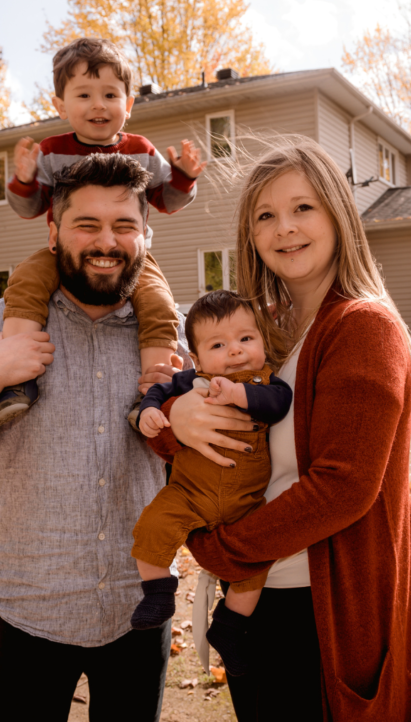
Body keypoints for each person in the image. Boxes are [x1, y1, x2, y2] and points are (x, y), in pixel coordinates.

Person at [148, 140, 411, 721]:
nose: (284, 228)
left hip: (316, 613)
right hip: (263, 605)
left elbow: (342, 487)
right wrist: (176, 420)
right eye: (266, 215)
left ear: (338, 213)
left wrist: (218, 550)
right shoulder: (261, 337)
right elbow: (196, 430)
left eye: (303, 208)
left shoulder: (361, 327)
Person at [0, 153, 186, 722]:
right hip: (28, 615)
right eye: (86, 224)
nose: (106, 242)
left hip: (139, 613)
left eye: (124, 226)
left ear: (146, 233)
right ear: (53, 230)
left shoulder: (171, 340)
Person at [0, 37, 205, 427]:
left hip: (132, 262)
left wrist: (185, 177)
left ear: (128, 104)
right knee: (25, 282)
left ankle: (154, 394)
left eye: (110, 94)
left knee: (159, 304)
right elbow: (30, 208)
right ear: (60, 106)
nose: (98, 105)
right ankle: (16, 381)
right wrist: (24, 180)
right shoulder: (52, 151)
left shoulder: (141, 148)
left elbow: (166, 200)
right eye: (84, 94)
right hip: (64, 255)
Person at [131, 290, 292, 677]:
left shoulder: (268, 382)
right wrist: (149, 411)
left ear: (262, 341)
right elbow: (158, 390)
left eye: (245, 339)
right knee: (151, 525)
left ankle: (230, 626)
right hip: (189, 493)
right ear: (197, 358)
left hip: (246, 503)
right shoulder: (191, 381)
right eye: (218, 344)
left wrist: (239, 392)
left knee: (256, 566)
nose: (235, 351)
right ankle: (157, 593)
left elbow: (278, 404)